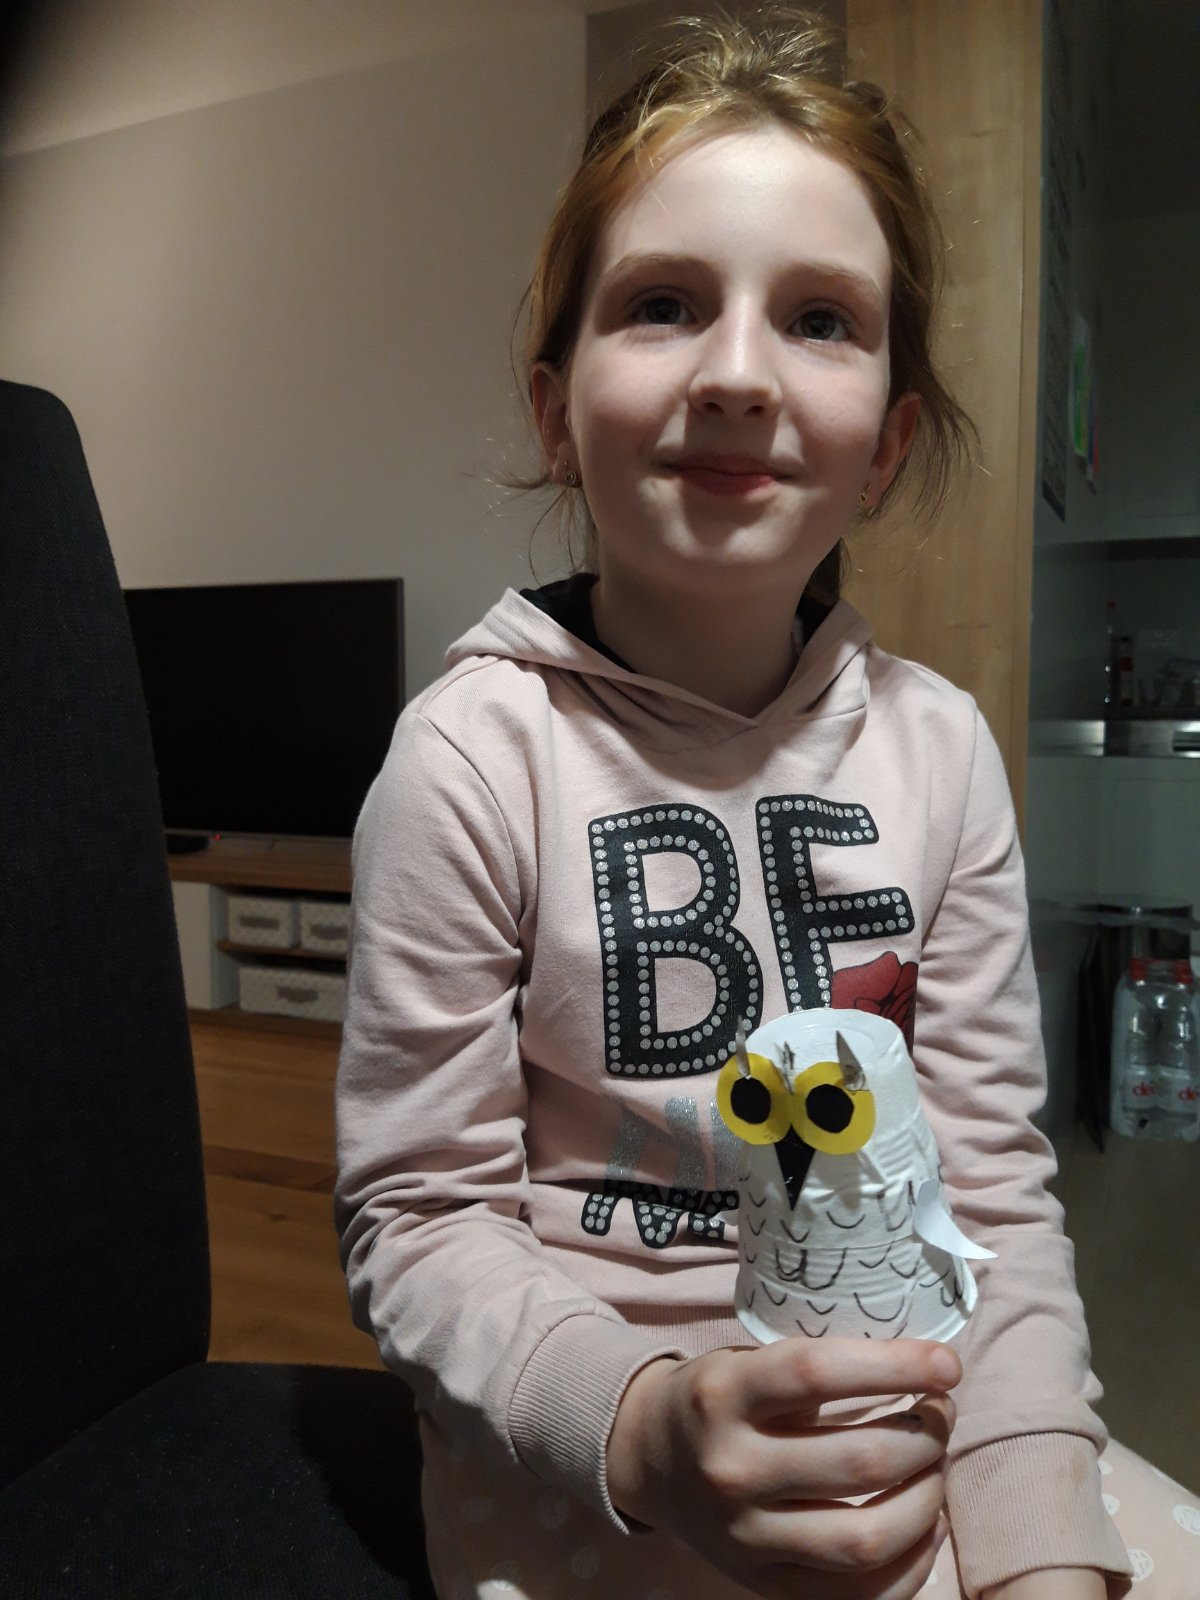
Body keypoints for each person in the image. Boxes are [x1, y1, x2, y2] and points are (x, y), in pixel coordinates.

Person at [334, 11, 1199, 1598]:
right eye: (663, 304)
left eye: (818, 319)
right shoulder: (469, 759)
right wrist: (641, 1429)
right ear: (554, 410)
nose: (737, 372)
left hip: (908, 1427)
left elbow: (994, 1200)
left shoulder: (941, 754)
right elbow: (418, 1215)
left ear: (888, 446)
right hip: (591, 1476)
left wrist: (1035, 1543)